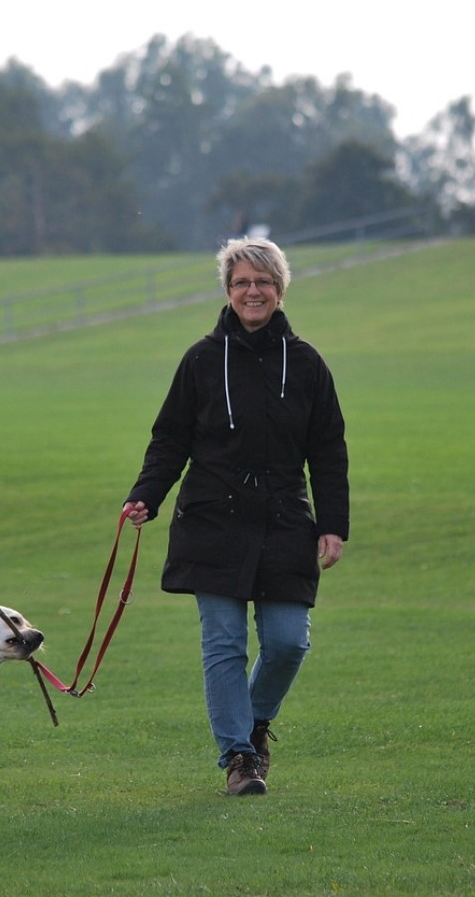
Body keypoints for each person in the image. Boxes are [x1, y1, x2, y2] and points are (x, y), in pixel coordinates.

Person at [123, 237, 349, 796]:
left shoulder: (307, 363)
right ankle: (240, 758)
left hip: (284, 518)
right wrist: (147, 494)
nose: (254, 291)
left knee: (288, 641)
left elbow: (327, 450)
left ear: (279, 291)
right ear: (228, 290)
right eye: (244, 282)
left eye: (264, 282)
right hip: (212, 517)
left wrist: (332, 522)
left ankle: (254, 723)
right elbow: (169, 438)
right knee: (223, 643)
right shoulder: (201, 360)